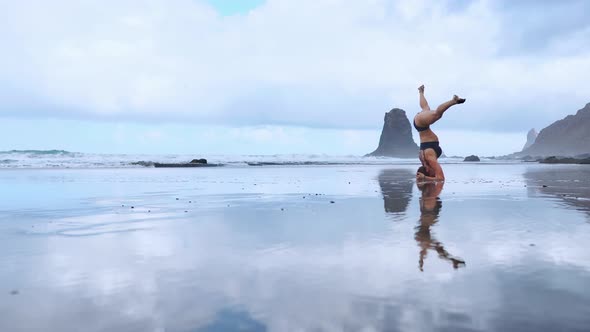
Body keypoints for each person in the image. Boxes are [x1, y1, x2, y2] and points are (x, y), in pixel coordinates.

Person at [414, 84, 465, 182]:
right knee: (425, 108)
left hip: (421, 124)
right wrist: (426, 178)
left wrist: (425, 178)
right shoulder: (426, 161)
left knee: (436, 114)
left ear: (428, 171)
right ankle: (420, 92)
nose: (434, 174)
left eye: (432, 174)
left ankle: (454, 101)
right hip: (422, 126)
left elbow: (440, 178)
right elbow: (434, 177)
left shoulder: (429, 159)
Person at [415, 181, 465, 271]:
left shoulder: (424, 203)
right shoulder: (425, 203)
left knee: (436, 248)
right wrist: (421, 260)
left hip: (424, 230)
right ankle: (453, 261)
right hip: (424, 231)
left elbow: (423, 250)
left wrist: (421, 261)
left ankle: (453, 261)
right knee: (437, 248)